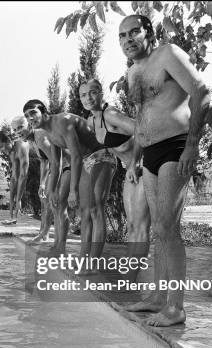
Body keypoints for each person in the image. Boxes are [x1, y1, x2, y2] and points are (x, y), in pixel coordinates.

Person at [118, 15, 210, 326]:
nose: (128, 39)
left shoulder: (168, 53)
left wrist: (193, 145)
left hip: (175, 146)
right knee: (158, 227)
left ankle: (176, 307)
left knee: (168, 227)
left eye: (134, 32)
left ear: (149, 32)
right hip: (150, 153)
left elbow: (201, 90)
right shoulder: (133, 72)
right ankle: (158, 297)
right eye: (122, 36)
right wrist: (135, 158)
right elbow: (144, 116)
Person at [79, 78, 151, 281]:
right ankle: (131, 274)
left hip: (144, 167)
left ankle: (130, 277)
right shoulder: (92, 122)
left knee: (140, 224)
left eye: (92, 92)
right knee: (132, 225)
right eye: (83, 95)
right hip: (131, 171)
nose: (88, 98)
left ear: (101, 92)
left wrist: (135, 161)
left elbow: (141, 130)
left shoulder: (110, 114)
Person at [23, 99, 109, 260]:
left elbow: (75, 156)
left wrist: (73, 190)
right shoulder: (49, 132)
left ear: (44, 111)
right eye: (27, 116)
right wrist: (52, 190)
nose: (30, 119)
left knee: (94, 210)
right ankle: (84, 259)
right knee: (85, 211)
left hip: (101, 155)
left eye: (33, 113)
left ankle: (92, 261)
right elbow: (56, 163)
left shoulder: (62, 121)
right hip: (85, 160)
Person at [11, 116, 53, 242]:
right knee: (44, 198)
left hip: (66, 166)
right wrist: (42, 184)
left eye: (20, 127)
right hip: (54, 167)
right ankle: (43, 233)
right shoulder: (31, 141)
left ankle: (45, 233)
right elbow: (44, 161)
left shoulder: (40, 136)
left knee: (50, 201)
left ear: (28, 125)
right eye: (15, 129)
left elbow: (55, 160)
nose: (17, 131)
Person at [0, 128, 30, 225]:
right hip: (45, 166)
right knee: (13, 196)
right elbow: (14, 178)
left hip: (55, 164)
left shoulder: (21, 146)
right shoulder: (12, 152)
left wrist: (18, 199)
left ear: (9, 141)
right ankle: (13, 218)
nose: (1, 150)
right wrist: (12, 202)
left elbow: (23, 175)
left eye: (1, 147)